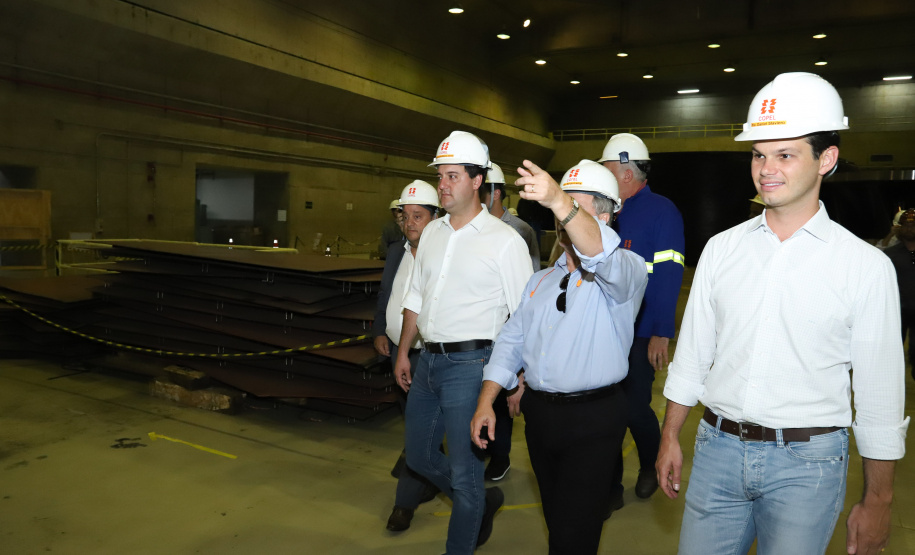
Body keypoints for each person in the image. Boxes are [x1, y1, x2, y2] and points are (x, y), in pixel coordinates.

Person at [656, 72, 909, 555]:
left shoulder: (866, 268)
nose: (765, 169)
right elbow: (692, 356)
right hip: (717, 450)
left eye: (785, 154)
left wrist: (879, 500)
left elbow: (879, 398)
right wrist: (671, 435)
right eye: (759, 154)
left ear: (826, 159)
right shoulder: (721, 250)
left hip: (808, 466)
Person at [470, 158, 647, 553]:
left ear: (605, 215)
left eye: (573, 207)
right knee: (557, 519)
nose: (561, 217)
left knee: (574, 533)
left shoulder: (626, 271)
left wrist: (557, 198)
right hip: (541, 415)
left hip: (594, 418)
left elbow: (600, 254)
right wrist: (487, 400)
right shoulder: (541, 282)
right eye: (558, 209)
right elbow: (512, 341)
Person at [395, 130, 533, 554]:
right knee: (417, 457)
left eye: (454, 176)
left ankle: (465, 527)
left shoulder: (505, 242)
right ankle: (481, 501)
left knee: (464, 473)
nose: (444, 185)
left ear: (478, 181)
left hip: (472, 366)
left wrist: (519, 377)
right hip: (428, 363)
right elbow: (416, 294)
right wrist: (404, 350)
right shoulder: (432, 233)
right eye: (441, 176)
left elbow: (524, 316)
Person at [598, 133, 685, 504]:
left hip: (640, 332)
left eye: (607, 170)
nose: (602, 177)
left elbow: (669, 274)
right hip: (603, 330)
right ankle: (609, 482)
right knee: (606, 413)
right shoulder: (604, 212)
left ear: (626, 172)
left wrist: (661, 332)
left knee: (633, 407)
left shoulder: (662, 211)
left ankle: (650, 463)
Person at [373, 180, 442, 532]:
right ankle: (428, 473)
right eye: (406, 216)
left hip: (427, 356)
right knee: (413, 424)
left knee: (419, 430)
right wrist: (379, 331)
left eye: (418, 215)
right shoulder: (397, 252)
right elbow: (386, 292)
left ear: (435, 217)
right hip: (397, 352)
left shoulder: (444, 257)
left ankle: (405, 503)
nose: (410, 222)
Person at [477, 162, 541, 482]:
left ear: (496, 193)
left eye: (481, 192)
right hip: (480, 329)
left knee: (504, 399)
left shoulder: (521, 231)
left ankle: (500, 456)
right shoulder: (472, 230)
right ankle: (483, 448)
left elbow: (530, 288)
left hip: (508, 329)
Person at [883, 208, 915, 380]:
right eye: (906, 224)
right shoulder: (890, 255)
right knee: (892, 351)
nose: (910, 228)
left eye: (913, 224)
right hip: (897, 312)